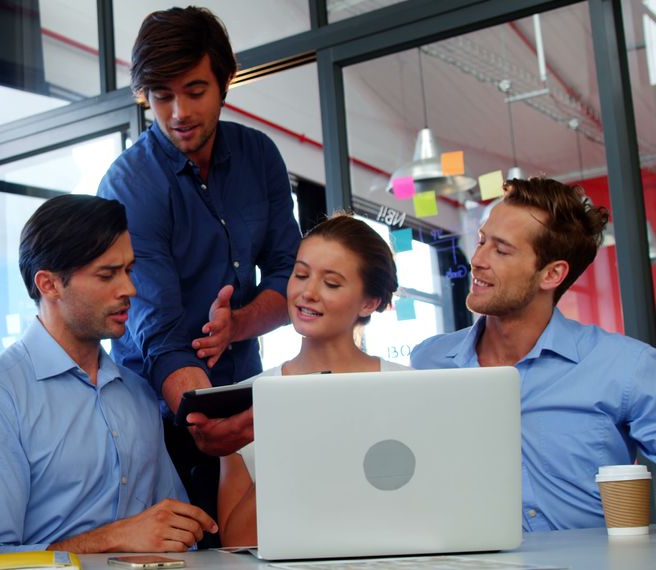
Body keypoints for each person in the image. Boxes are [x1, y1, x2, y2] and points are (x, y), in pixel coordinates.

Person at [97, 6, 302, 529]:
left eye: (194, 90)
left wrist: (240, 324)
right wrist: (201, 414)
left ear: (225, 81)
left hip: (247, 398)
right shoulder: (131, 185)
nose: (178, 113)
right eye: (161, 96)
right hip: (162, 417)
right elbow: (159, 334)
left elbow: (288, 277)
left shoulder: (260, 156)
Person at [0, 195, 217, 554]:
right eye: (107, 274)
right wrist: (112, 540)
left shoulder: (136, 392)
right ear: (49, 285)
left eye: (128, 270)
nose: (129, 289)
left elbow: (174, 528)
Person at [410, 177, 656, 532]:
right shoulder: (427, 362)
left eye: (501, 250)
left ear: (552, 274)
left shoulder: (625, 367)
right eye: (481, 241)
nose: (477, 260)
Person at [216, 214, 405, 546]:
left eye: (331, 283)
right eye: (300, 274)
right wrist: (292, 447)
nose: (307, 292)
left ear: (370, 302)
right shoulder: (247, 399)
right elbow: (236, 543)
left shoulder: (411, 390)